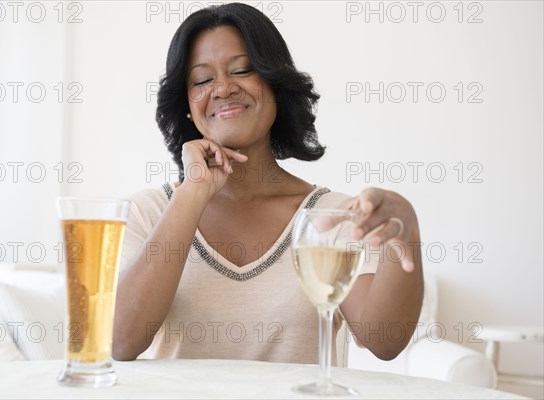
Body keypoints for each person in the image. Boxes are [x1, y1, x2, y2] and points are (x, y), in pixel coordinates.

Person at [113, 3, 423, 364]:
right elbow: (121, 342)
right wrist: (193, 192)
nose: (223, 89)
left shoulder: (332, 217)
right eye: (201, 80)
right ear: (186, 103)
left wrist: (407, 231)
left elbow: (384, 341)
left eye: (242, 70)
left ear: (275, 85)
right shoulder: (146, 212)